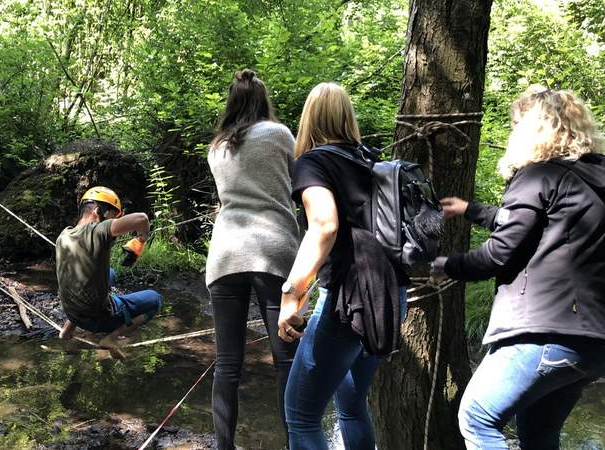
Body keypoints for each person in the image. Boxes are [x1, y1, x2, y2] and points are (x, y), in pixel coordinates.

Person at [431, 86, 605, 449]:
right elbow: (539, 224)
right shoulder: (590, 181)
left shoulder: (538, 175)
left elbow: (497, 255)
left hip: (544, 333)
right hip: (592, 342)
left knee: (477, 417)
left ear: (534, 128)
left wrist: (445, 265)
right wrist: (473, 210)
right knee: (538, 434)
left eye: (516, 125)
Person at [277, 82, 406, 450]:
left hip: (348, 304)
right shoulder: (373, 160)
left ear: (308, 119)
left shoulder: (314, 162)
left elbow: (324, 225)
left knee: (301, 417)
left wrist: (292, 293)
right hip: (391, 297)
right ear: (348, 116)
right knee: (350, 404)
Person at [206, 69, 300, 449]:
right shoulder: (280, 135)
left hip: (225, 254)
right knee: (286, 362)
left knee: (227, 365)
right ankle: (297, 440)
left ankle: (223, 446)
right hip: (274, 252)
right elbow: (301, 187)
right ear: (264, 101)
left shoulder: (217, 147)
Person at [55, 186, 162, 359]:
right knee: (155, 299)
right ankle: (110, 339)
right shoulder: (98, 230)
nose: (112, 222)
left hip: (72, 312)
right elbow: (141, 219)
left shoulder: (64, 235)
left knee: (111, 273)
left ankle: (67, 330)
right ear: (98, 211)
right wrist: (141, 240)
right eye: (112, 216)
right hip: (99, 318)